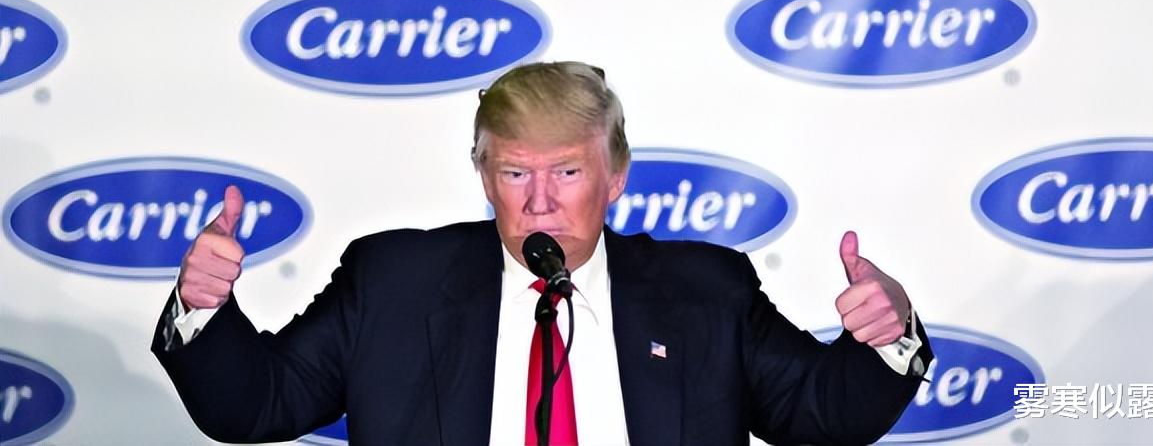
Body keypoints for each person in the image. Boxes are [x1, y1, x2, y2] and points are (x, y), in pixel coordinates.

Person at [152, 61, 931, 446]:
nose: (540, 202)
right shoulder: (393, 282)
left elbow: (823, 414)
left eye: (567, 172)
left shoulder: (706, 291)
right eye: (516, 173)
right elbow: (255, 405)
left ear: (616, 176)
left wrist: (887, 336)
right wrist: (203, 308)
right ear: (483, 176)